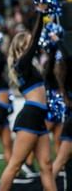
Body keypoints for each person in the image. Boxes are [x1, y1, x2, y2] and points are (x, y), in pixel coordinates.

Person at [0, 8, 56, 191]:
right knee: (15, 165)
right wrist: (40, 15)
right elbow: (34, 44)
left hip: (40, 118)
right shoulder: (21, 65)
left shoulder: (32, 67)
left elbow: (50, 69)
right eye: (29, 44)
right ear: (21, 48)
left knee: (46, 165)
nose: (34, 46)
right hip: (30, 117)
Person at [52, 40, 72, 177]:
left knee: (61, 161)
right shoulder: (68, 78)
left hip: (69, 122)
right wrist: (59, 41)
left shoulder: (65, 80)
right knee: (60, 161)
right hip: (71, 125)